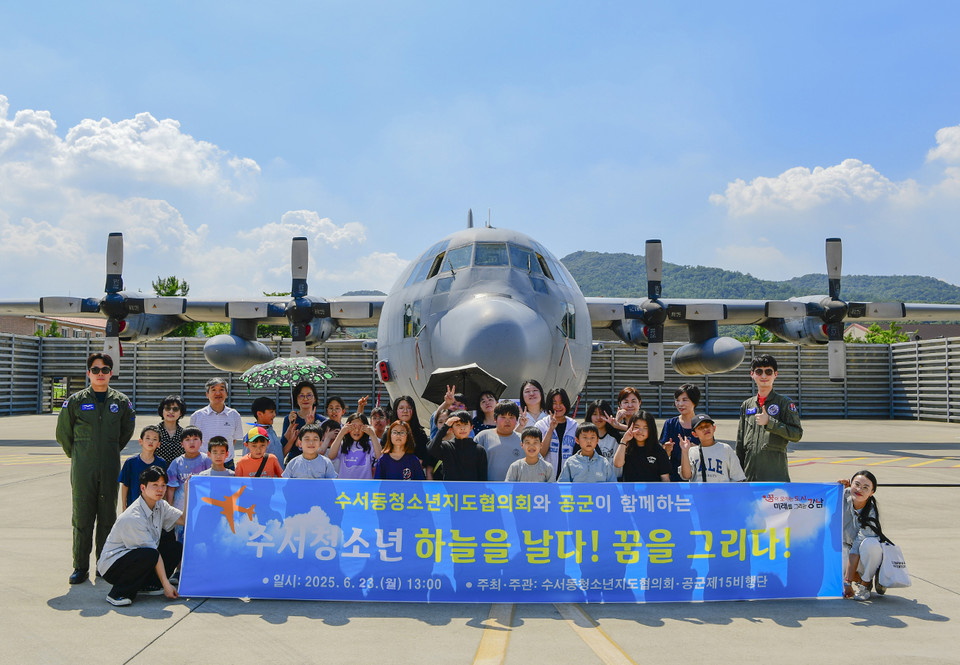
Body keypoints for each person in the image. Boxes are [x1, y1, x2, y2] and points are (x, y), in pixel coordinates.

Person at [56, 352, 136, 585]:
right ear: (88, 373)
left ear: (111, 373)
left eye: (104, 370)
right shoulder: (75, 401)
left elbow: (125, 432)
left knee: (108, 517)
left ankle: (104, 564)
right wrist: (80, 455)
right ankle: (80, 567)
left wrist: (108, 450)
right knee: (82, 517)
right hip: (83, 468)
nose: (100, 374)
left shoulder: (121, 402)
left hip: (110, 466)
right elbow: (63, 434)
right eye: (95, 369)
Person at [97, 466, 185, 606]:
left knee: (175, 548)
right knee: (150, 554)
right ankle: (118, 593)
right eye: (155, 485)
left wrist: (189, 492)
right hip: (112, 566)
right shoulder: (134, 516)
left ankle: (149, 585)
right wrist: (167, 585)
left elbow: (184, 519)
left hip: (137, 556)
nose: (160, 490)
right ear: (143, 488)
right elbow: (153, 554)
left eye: (163, 485)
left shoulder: (160, 505)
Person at [736, 354, 803, 481]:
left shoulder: (784, 403)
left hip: (775, 478)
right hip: (749, 477)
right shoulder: (747, 405)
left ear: (775, 374)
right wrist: (738, 476)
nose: (763, 376)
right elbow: (740, 444)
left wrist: (770, 423)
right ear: (752, 374)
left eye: (768, 372)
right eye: (759, 371)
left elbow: (797, 434)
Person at [840, 470, 885, 601]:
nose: (860, 489)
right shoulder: (841, 496)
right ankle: (859, 579)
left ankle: (865, 583)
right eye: (857, 484)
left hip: (861, 557)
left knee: (871, 545)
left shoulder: (871, 514)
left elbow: (855, 550)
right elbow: (819, 501)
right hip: (844, 550)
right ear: (850, 484)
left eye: (866, 488)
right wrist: (835, 487)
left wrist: (847, 582)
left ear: (872, 493)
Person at [165, 426, 211, 541]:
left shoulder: (207, 461)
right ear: (181, 444)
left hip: (202, 507)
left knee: (200, 537)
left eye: (195, 439)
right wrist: (169, 509)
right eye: (187, 439)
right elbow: (171, 488)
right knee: (181, 540)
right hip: (181, 510)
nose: (192, 442)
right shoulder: (176, 463)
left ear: (201, 442)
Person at [190, 378, 244, 470]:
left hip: (227, 464)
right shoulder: (197, 416)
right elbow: (193, 441)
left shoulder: (234, 415)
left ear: (226, 393)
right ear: (207, 394)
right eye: (213, 390)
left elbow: (234, 439)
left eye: (221, 389)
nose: (218, 393)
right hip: (204, 464)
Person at [677, 415, 746, 482]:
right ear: (694, 434)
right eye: (700, 428)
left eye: (707, 426)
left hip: (722, 493)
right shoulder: (692, 451)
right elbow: (686, 476)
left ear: (714, 428)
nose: (705, 429)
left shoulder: (726, 449)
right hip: (699, 493)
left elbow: (737, 477)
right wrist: (684, 451)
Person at [428, 410, 488, 481]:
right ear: (451, 429)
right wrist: (445, 426)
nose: (462, 428)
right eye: (458, 425)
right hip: (449, 491)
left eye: (465, 424)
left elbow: (483, 478)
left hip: (471, 491)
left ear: (471, 427)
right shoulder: (446, 447)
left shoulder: (479, 450)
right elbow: (431, 450)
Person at [118, 426, 168, 510]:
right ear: (140, 441)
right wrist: (124, 506)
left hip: (154, 507)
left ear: (159, 444)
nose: (151, 441)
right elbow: (125, 485)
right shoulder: (130, 462)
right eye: (147, 438)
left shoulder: (161, 463)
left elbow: (164, 485)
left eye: (155, 439)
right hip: (134, 507)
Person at [660, 383, 701, 482]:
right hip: (675, 478)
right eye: (677, 400)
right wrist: (667, 450)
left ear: (694, 401)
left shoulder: (702, 423)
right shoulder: (670, 424)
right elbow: (662, 456)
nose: (680, 404)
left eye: (684, 400)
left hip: (699, 478)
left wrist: (697, 449)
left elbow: (711, 449)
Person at [614, 411, 670, 482]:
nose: (640, 431)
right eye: (636, 427)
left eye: (645, 427)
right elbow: (618, 464)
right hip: (630, 492)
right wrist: (624, 440)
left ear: (651, 429)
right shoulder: (625, 447)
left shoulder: (659, 450)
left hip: (652, 492)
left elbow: (665, 478)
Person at [475, 400, 523, 481]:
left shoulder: (524, 440)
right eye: (503, 417)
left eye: (511, 417)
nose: (507, 421)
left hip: (516, 491)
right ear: (495, 419)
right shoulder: (483, 437)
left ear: (517, 420)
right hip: (488, 491)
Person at [536, 388, 578, 479]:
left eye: (561, 402)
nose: (558, 406)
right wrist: (550, 429)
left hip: (568, 481)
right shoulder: (541, 425)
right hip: (546, 480)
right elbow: (539, 455)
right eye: (554, 403)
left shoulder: (574, 426)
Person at [327, 413, 381, 479]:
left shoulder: (370, 444)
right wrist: (341, 433)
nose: (357, 430)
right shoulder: (343, 443)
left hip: (364, 485)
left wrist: (372, 435)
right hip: (345, 484)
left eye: (360, 427)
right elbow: (331, 456)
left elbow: (379, 456)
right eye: (353, 427)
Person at [393, 395, 434, 477]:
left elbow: (424, 459)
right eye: (401, 408)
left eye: (409, 408)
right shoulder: (388, 434)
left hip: (415, 477)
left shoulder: (421, 434)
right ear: (396, 411)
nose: (405, 411)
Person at [282, 380, 322, 464]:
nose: (305, 399)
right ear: (296, 399)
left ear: (315, 398)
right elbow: (283, 446)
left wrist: (309, 425)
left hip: (315, 463)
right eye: (301, 395)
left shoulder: (321, 420)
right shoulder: (289, 419)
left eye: (309, 395)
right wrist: (291, 425)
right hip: (293, 462)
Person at [248, 396, 284, 469]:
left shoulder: (271, 431)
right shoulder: (254, 435)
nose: (274, 415)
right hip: (265, 478)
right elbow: (248, 461)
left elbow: (280, 453)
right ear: (260, 414)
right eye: (271, 412)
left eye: (274, 411)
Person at [156, 395, 186, 464]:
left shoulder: (184, 434)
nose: (171, 411)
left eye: (175, 409)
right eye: (167, 408)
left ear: (180, 413)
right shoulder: (154, 432)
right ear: (162, 410)